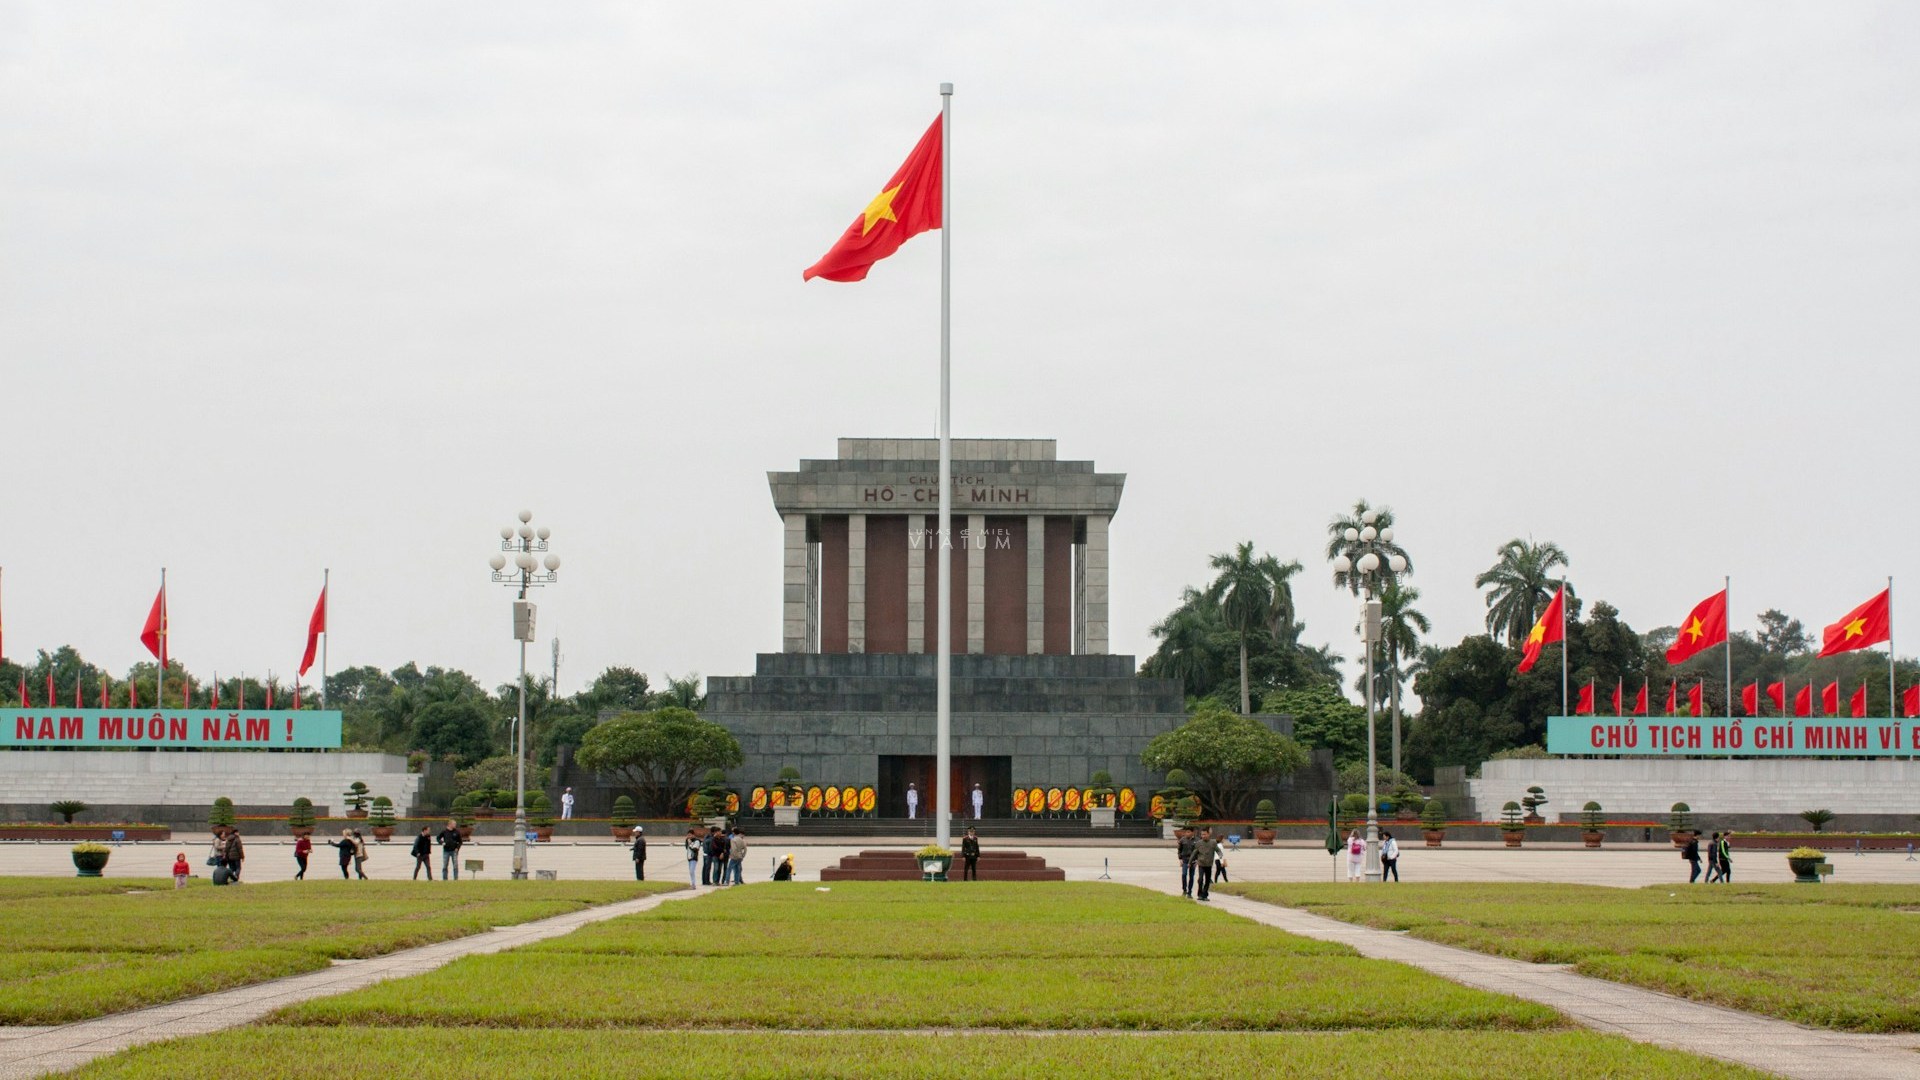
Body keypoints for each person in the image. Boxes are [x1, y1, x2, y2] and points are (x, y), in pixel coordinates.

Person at [1193, 827, 1217, 901]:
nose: (1203, 836)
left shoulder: (1213, 842)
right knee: (1200, 879)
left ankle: (1205, 895)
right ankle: (1200, 894)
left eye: (1205, 834)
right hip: (1201, 864)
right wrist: (1191, 861)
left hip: (1209, 865)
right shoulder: (1198, 843)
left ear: (1208, 834)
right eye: (1202, 834)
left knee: (1207, 880)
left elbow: (1218, 850)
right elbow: (1194, 853)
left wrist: (1221, 856)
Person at [1176, 827, 1198, 897]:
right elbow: (1179, 850)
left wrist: (1197, 860)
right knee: (1184, 874)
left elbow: (1199, 851)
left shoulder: (1197, 840)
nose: (1187, 834)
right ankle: (1184, 890)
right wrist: (1180, 859)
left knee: (1191, 876)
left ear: (1192, 833)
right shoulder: (1182, 840)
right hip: (1185, 859)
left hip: (1193, 861)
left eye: (1189, 832)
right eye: (1186, 832)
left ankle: (1190, 892)